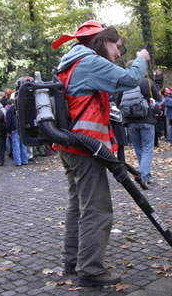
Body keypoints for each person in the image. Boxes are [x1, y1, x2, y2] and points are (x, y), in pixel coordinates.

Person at [52, 20, 150, 287]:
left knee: (78, 206)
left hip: (71, 148)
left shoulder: (70, 63)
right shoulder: (90, 62)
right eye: (117, 47)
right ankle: (91, 269)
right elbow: (129, 79)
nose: (119, 54)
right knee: (97, 209)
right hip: (85, 149)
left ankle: (72, 262)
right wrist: (141, 60)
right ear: (101, 41)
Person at [122, 67, 161, 188]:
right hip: (146, 119)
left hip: (130, 121)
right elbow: (158, 99)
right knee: (147, 149)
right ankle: (144, 176)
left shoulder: (124, 82)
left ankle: (145, 176)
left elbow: (119, 102)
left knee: (139, 149)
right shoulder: (146, 81)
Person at [6, 98, 28, 166]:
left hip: (14, 130)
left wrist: (8, 131)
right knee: (23, 146)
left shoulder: (9, 110)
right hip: (23, 129)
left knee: (16, 147)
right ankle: (25, 160)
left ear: (8, 104)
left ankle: (18, 162)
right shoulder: (21, 108)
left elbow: (8, 122)